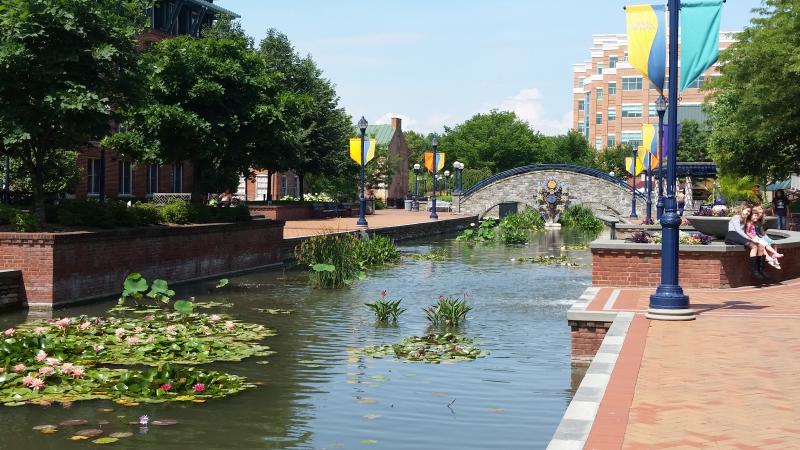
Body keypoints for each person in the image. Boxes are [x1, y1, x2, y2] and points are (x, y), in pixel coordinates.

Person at [724, 204, 768, 280]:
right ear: (742, 209)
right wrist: (749, 238)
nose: (748, 213)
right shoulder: (736, 217)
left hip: (738, 236)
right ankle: (754, 271)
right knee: (753, 246)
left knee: (760, 245)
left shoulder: (745, 220)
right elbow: (738, 230)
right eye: (747, 211)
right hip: (732, 235)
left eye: (749, 212)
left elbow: (746, 231)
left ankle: (761, 269)